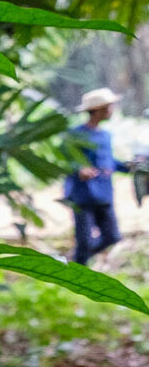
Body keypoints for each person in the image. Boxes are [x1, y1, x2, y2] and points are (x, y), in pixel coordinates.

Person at [66, 87, 123, 265]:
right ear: (99, 109)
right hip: (82, 196)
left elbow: (109, 162)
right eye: (109, 106)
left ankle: (76, 262)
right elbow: (64, 159)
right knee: (85, 241)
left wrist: (129, 166)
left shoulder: (105, 135)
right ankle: (77, 272)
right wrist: (79, 170)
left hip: (104, 194)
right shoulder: (76, 134)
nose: (111, 110)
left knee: (112, 236)